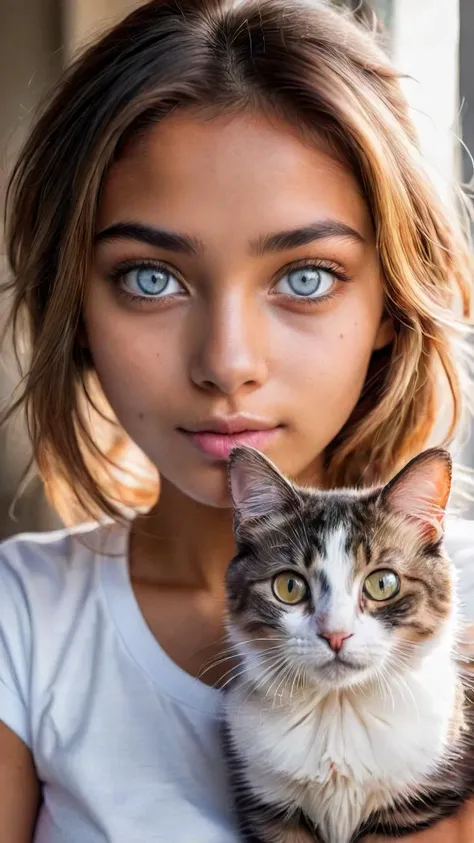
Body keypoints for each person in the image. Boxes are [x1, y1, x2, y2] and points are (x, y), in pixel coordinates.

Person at [1, 0, 474, 840]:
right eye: (150, 277)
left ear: (395, 304)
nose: (227, 361)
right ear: (73, 306)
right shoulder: (22, 619)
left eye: (305, 276)